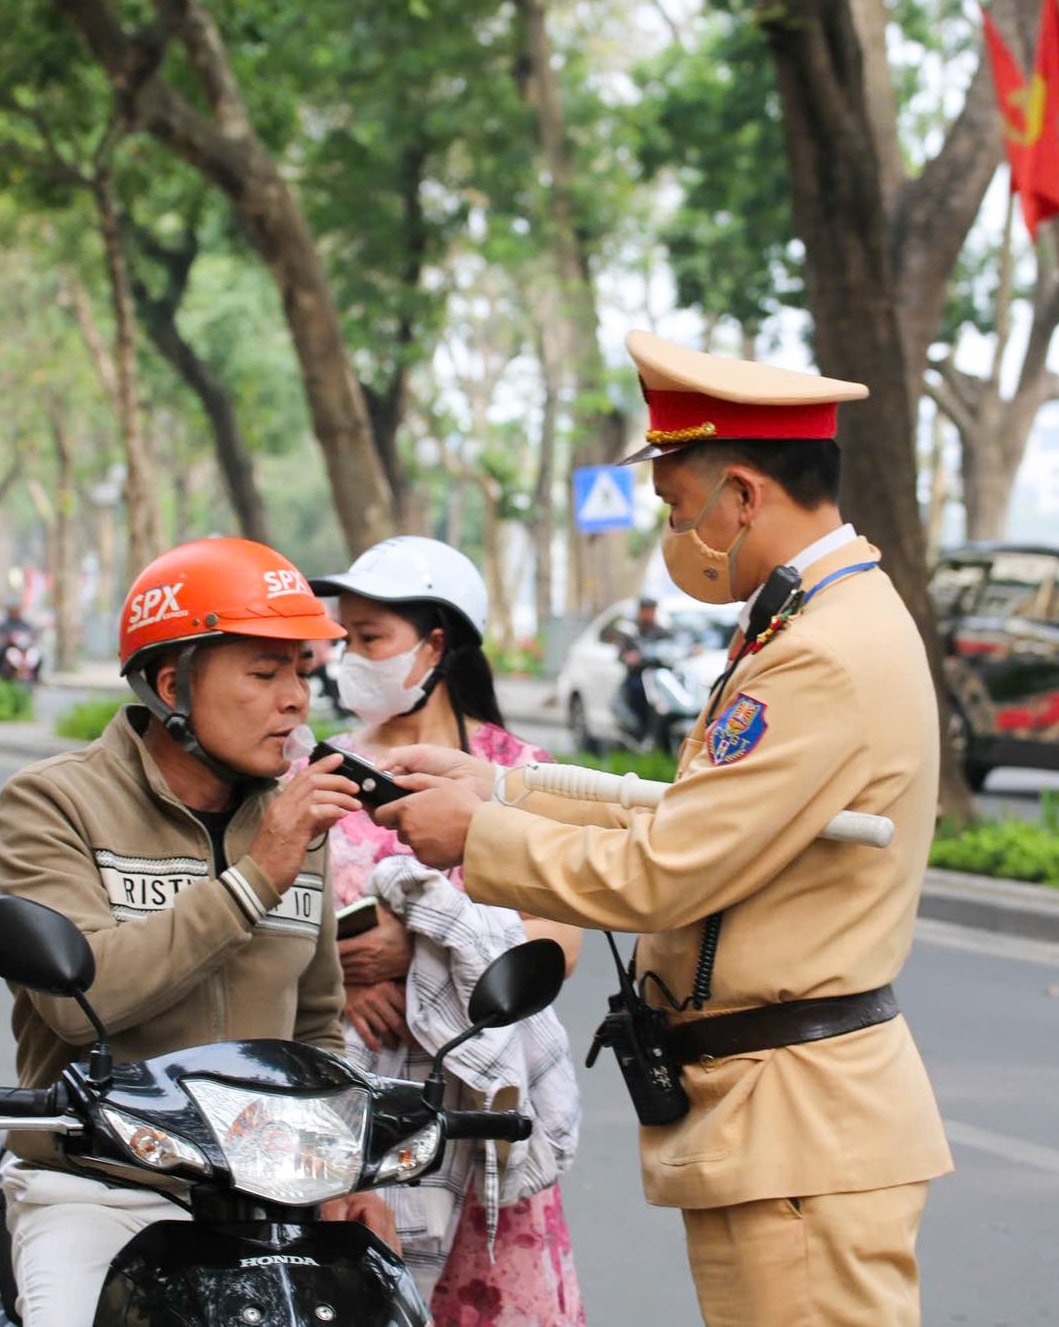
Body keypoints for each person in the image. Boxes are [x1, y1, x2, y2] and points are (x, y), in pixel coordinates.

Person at [376, 331, 953, 1327]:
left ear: (741, 493)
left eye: (678, 506)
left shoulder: (821, 652)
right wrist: (507, 790)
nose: (676, 533)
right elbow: (697, 812)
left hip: (801, 1124)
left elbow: (669, 868)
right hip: (775, 1117)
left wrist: (478, 838)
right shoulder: (809, 622)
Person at [0, 537, 394, 1327]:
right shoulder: (52, 803)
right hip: (101, 1187)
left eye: (301, 671)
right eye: (264, 671)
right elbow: (80, 1002)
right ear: (173, 683)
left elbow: (316, 1024)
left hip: (270, 1197)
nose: (296, 700)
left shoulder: (292, 821)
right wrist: (254, 878)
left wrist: (348, 1171)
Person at [308, 536, 588, 1325]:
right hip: (353, 1138)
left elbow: (554, 947)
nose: (350, 659)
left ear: (437, 644)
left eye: (372, 640)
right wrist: (344, 975)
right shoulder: (315, 775)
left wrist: (420, 949)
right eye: (346, 639)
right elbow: (270, 935)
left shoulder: (516, 773)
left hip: (482, 1119)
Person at [610, 596, 670, 744]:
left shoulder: (661, 631)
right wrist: (630, 657)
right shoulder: (631, 631)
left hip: (659, 675)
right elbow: (622, 654)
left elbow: (673, 646)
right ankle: (640, 730)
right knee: (637, 691)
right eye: (646, 610)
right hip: (638, 675)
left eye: (651, 610)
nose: (649, 614)